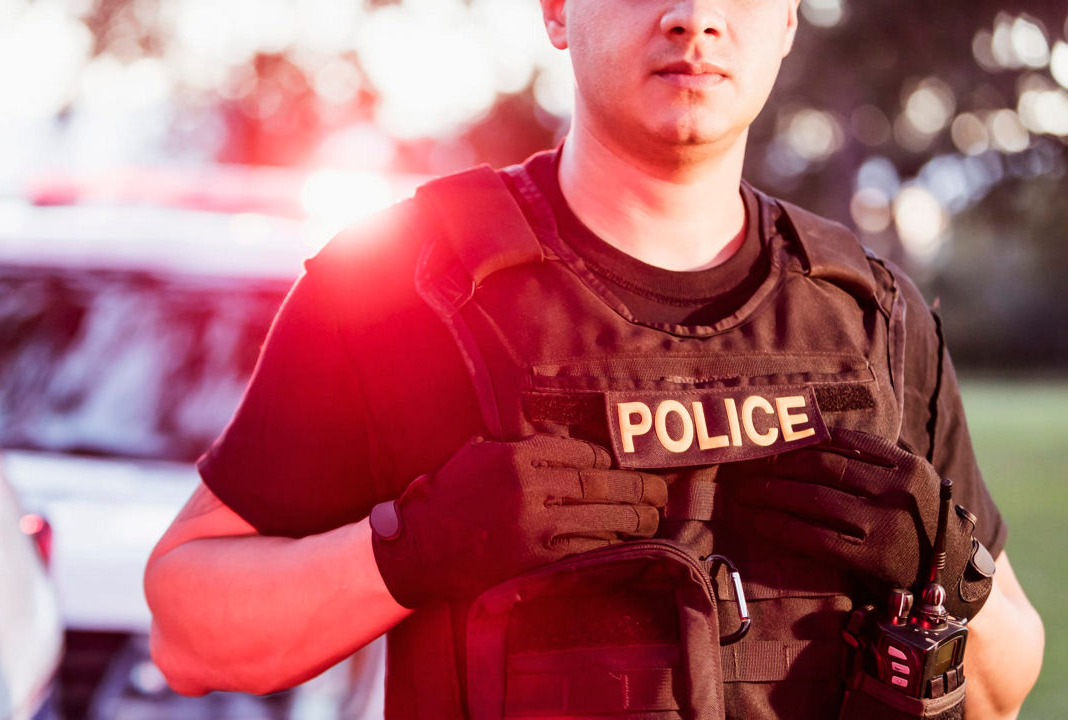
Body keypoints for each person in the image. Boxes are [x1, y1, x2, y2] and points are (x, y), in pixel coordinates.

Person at [145, 1, 1044, 717]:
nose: (694, 16)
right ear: (557, 10)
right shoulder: (402, 285)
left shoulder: (872, 316)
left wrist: (946, 576)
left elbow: (1008, 685)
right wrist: (407, 554)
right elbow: (186, 633)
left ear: (787, 22)